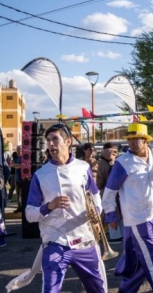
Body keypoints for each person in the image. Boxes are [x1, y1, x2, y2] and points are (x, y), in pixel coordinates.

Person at [25, 124, 107, 292]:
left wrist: (96, 212)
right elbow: (29, 214)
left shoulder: (83, 168)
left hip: (84, 238)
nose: (51, 144)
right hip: (55, 240)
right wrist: (49, 206)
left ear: (68, 141)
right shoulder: (40, 175)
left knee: (97, 289)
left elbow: (96, 195)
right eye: (48, 140)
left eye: (55, 139)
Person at [102, 123, 153, 292]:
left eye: (136, 139)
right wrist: (111, 216)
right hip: (137, 220)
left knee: (139, 262)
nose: (132, 143)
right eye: (130, 139)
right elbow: (109, 193)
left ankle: (126, 290)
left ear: (145, 140)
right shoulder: (123, 162)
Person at [95, 142, 122, 243]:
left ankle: (116, 236)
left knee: (110, 211)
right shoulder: (118, 160)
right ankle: (119, 234)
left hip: (107, 191)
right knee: (118, 212)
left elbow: (99, 182)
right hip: (119, 192)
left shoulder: (101, 163)